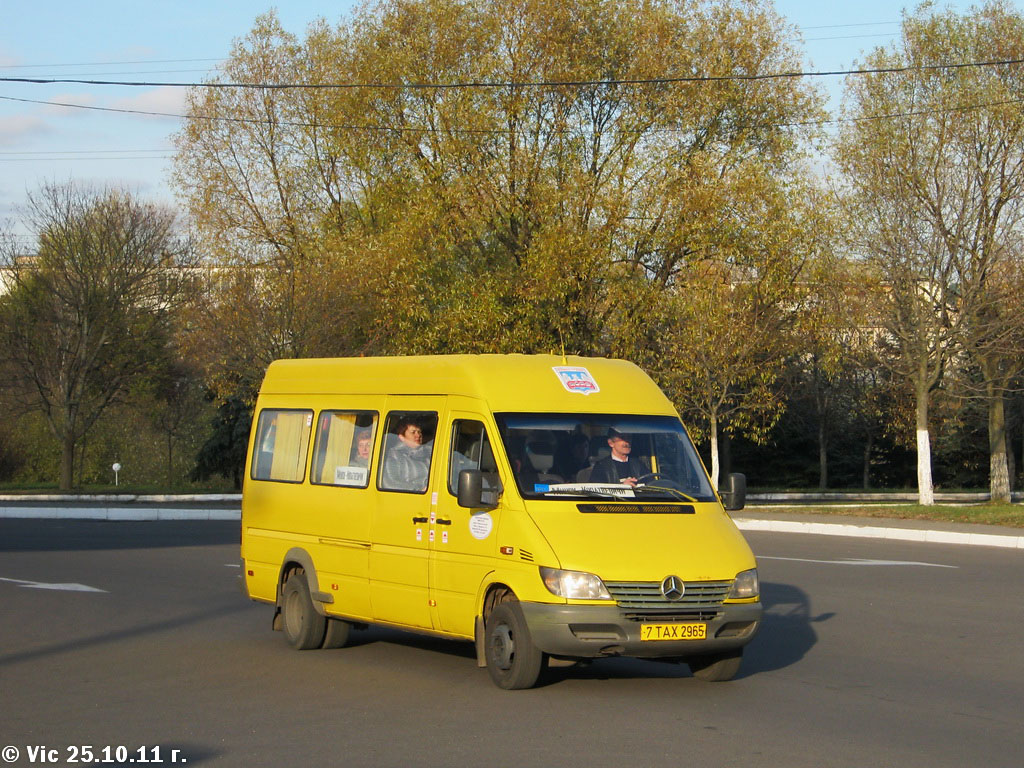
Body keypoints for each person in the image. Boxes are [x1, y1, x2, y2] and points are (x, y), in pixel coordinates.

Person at [381, 418, 433, 491]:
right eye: (413, 432)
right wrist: (419, 489)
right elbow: (389, 483)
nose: (418, 435)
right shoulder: (394, 455)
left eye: (419, 432)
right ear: (401, 437)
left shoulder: (430, 452)